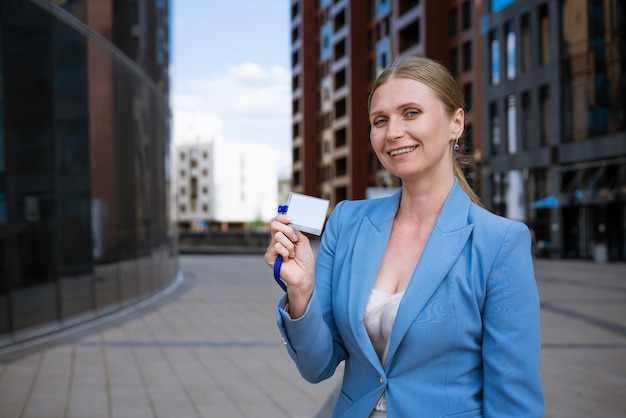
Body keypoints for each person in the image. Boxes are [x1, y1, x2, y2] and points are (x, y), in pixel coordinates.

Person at [264, 55, 544, 417]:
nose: (392, 132)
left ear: (456, 122)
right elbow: (317, 366)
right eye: (380, 120)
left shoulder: (500, 242)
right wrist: (301, 292)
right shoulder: (348, 221)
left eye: (411, 113)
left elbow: (513, 399)